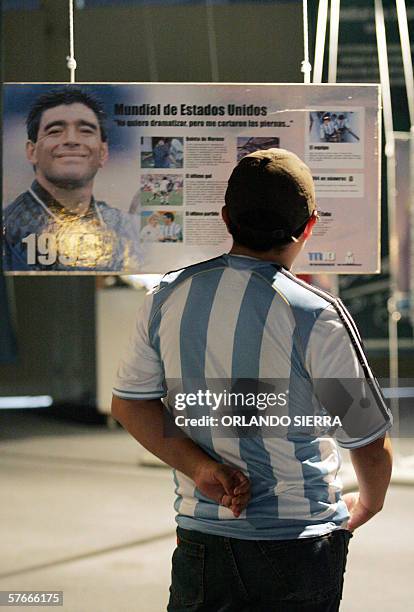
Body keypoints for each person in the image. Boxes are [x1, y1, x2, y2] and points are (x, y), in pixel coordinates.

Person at [112, 148, 393, 611]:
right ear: (308, 225)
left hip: (202, 541)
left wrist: (201, 468)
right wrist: (369, 503)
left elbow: (129, 405)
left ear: (226, 219)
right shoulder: (315, 314)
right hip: (298, 544)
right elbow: (367, 439)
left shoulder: (166, 297)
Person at [3, 87, 142, 272]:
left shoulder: (122, 229)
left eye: (84, 131)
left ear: (103, 152)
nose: (71, 140)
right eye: (55, 131)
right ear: (32, 151)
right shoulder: (10, 229)